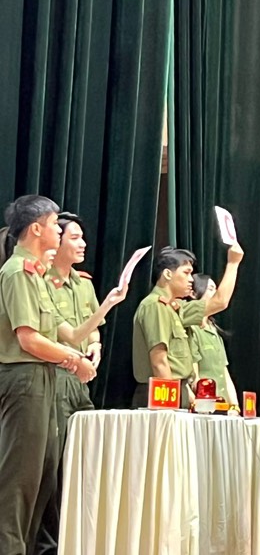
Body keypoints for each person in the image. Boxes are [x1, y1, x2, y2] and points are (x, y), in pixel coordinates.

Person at [0, 196, 96, 554]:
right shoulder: (19, 272)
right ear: (37, 229)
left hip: (42, 378)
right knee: (19, 477)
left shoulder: (38, 275)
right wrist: (74, 360)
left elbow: (65, 332)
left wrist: (108, 304)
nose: (59, 230)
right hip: (23, 377)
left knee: (43, 475)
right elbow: (29, 338)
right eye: (56, 224)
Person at [37, 212, 129, 555]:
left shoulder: (84, 283)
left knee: (85, 458)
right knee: (54, 464)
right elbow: (66, 335)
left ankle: (80, 536)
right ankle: (48, 543)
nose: (83, 244)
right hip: (55, 375)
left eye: (82, 236)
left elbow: (91, 331)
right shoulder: (41, 280)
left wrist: (96, 347)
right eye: (74, 237)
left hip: (82, 381)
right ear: (55, 240)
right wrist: (107, 306)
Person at [132, 243, 243, 407]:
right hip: (162, 392)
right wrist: (169, 407)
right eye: (186, 273)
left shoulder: (175, 308)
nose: (191, 279)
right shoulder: (155, 306)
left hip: (178, 390)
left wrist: (233, 264)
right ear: (168, 274)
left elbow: (220, 302)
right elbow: (159, 362)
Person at [189, 273, 237, 406]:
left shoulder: (213, 330)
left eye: (216, 289)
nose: (216, 294)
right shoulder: (192, 329)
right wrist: (202, 405)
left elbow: (225, 374)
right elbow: (194, 376)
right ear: (193, 294)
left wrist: (235, 406)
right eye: (210, 289)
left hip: (222, 404)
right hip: (204, 404)